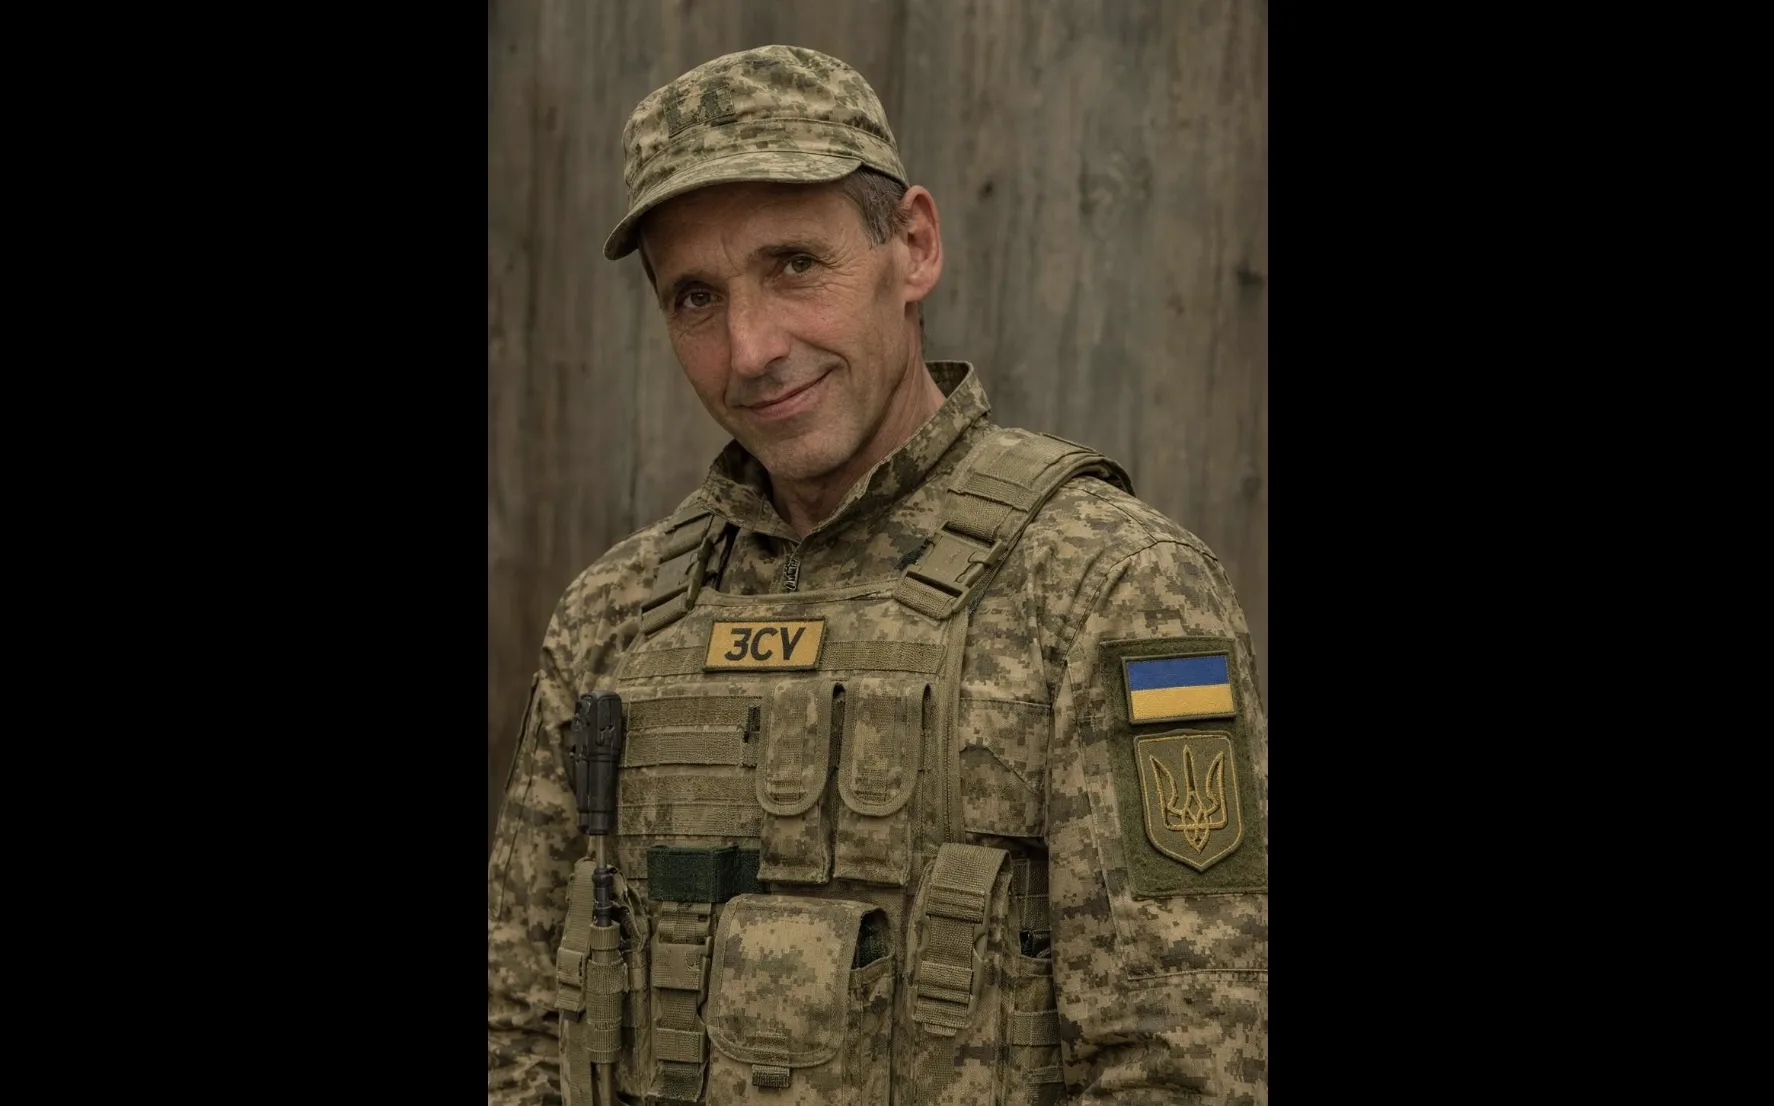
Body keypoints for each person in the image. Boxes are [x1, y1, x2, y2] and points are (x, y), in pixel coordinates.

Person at [488, 43, 1268, 1106]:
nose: (752, 348)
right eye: (696, 297)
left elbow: (1186, 1066)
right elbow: (520, 1031)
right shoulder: (613, 616)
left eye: (794, 265)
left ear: (914, 245)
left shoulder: (1111, 587)